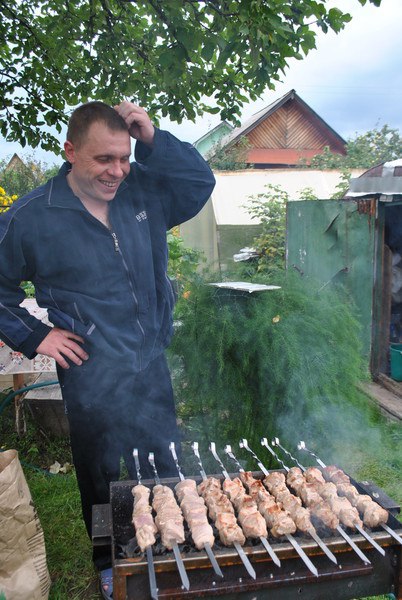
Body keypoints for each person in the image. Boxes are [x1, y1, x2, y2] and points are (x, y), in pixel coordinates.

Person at [0, 100, 215, 599]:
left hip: (149, 358)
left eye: (123, 157)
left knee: (163, 459)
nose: (117, 171)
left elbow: (198, 183)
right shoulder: (34, 215)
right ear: (70, 151)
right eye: (103, 159)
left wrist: (152, 138)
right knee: (100, 473)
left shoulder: (143, 190)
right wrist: (36, 336)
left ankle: (166, 542)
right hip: (90, 368)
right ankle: (108, 558)